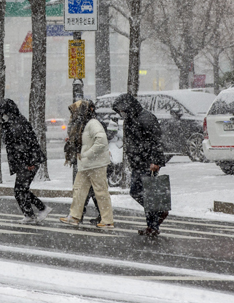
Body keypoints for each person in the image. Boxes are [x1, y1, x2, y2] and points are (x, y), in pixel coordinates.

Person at [112, 93, 168, 237]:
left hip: (147, 162)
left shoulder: (146, 118)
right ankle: (153, 224)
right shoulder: (131, 119)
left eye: (121, 110)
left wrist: (156, 161)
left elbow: (156, 140)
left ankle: (156, 218)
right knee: (145, 194)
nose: (121, 113)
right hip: (138, 161)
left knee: (142, 192)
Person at [0, 98, 53, 224]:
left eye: (3, 113)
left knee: (19, 190)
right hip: (23, 162)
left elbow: (28, 144)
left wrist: (30, 163)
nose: (2, 116)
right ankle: (36, 212)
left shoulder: (18, 124)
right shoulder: (12, 123)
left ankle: (35, 212)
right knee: (22, 190)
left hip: (27, 162)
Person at [60, 100, 115, 228]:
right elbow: (86, 141)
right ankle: (74, 216)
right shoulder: (83, 125)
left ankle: (107, 220)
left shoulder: (93, 123)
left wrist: (86, 154)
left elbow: (101, 141)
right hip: (86, 164)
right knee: (78, 190)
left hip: (96, 164)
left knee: (101, 192)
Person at [64, 100, 101, 225]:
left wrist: (85, 151)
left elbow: (97, 140)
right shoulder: (79, 122)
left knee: (86, 189)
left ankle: (78, 215)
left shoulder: (90, 122)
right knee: (88, 190)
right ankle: (80, 215)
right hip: (83, 160)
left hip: (90, 160)